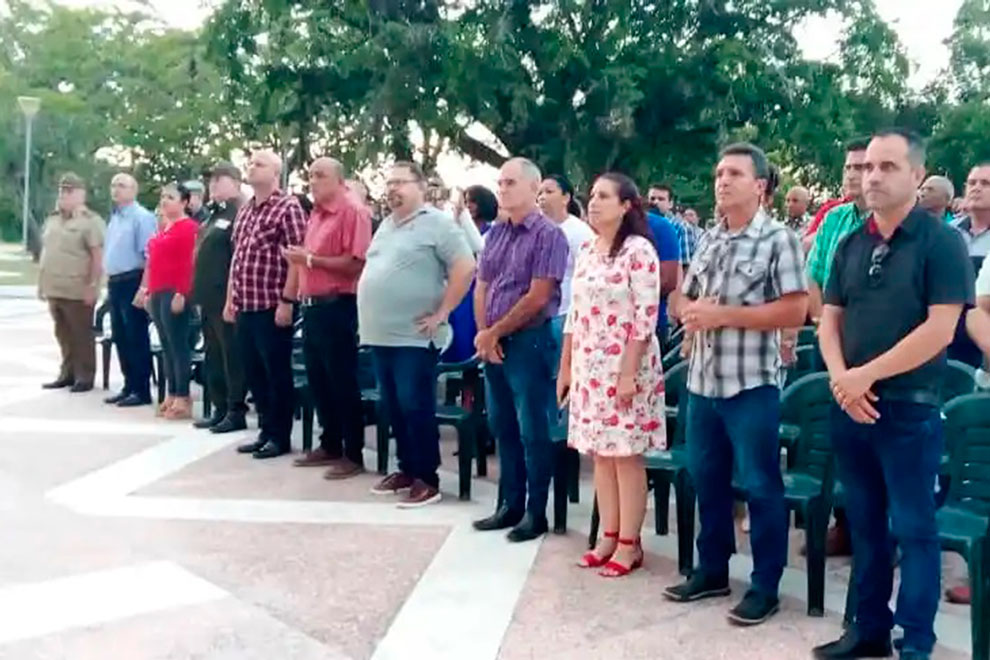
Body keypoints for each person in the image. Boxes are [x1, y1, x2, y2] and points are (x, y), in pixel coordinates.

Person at [812, 129, 973, 660]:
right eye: (866, 167)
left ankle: (917, 644)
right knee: (864, 525)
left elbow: (941, 329)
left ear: (916, 176)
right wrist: (842, 377)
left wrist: (866, 377)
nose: (871, 176)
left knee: (913, 528)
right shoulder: (852, 242)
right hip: (851, 407)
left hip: (908, 410)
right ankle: (869, 630)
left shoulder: (940, 242)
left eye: (886, 167)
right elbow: (828, 319)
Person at [663, 142, 808, 626]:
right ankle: (713, 569)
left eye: (734, 174)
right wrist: (682, 307)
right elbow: (684, 297)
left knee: (760, 484)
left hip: (751, 385)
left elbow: (795, 309)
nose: (722, 181)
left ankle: (765, 584)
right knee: (708, 478)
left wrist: (724, 315)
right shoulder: (710, 237)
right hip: (703, 382)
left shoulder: (778, 239)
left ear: (760, 186)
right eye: (719, 173)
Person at [558, 172, 665, 577]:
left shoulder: (638, 251)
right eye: (592, 195)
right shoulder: (587, 249)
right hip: (589, 367)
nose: (595, 202)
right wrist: (566, 367)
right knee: (600, 455)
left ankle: (629, 544)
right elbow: (575, 313)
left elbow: (645, 316)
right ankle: (607, 534)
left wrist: (628, 372)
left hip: (625, 367)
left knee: (625, 456)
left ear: (626, 205)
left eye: (604, 196)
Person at [358, 161, 475, 506]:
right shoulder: (387, 227)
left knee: (415, 404)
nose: (393, 188)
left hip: (414, 336)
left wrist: (443, 312)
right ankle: (406, 469)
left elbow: (466, 266)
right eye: (389, 182)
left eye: (401, 182)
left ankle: (427, 477)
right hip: (381, 334)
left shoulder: (437, 224)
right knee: (393, 405)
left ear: (421, 187)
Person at [472, 157, 568, 543]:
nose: (503, 188)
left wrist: (494, 331)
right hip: (494, 344)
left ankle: (535, 511)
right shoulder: (495, 232)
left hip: (529, 341)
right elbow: (482, 286)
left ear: (533, 187)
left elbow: (539, 295)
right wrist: (484, 334)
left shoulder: (549, 235)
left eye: (511, 182)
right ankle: (508, 504)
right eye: (500, 182)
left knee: (533, 429)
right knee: (503, 426)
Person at [289, 157, 372, 480]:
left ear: (340, 180)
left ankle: (353, 452)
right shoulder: (316, 214)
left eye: (320, 175)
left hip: (338, 304)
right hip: (312, 306)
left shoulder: (353, 211)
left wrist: (308, 259)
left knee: (341, 379)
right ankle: (330, 441)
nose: (313, 181)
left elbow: (355, 263)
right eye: (310, 175)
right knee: (318, 378)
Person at [224, 149, 307, 459]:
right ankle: (264, 430)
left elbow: (297, 260)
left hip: (272, 305)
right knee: (254, 373)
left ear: (275, 172)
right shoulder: (245, 210)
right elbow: (238, 257)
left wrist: (287, 301)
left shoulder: (288, 207)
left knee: (276, 373)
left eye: (259, 164)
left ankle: (279, 436)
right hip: (246, 303)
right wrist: (231, 297)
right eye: (250, 163)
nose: (251, 167)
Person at [191, 161, 247, 433]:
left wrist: (231, 297)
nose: (213, 184)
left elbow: (237, 257)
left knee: (230, 356)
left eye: (219, 179)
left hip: (226, 297)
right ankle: (220, 407)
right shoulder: (214, 215)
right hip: (207, 298)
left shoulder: (240, 212)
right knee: (213, 355)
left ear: (236, 183)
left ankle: (236, 410)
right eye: (210, 179)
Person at [135, 183, 199, 419]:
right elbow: (154, 262)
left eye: (171, 197)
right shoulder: (164, 228)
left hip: (175, 291)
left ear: (184, 202)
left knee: (178, 345)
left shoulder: (189, 228)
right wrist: (147, 291)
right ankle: (171, 393)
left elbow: (189, 265)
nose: (164, 201)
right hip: (158, 291)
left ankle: (183, 396)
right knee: (166, 346)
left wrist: (182, 293)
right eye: (163, 197)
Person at [38, 173, 105, 393]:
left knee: (81, 334)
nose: (64, 195)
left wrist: (93, 285)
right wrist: (41, 284)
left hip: (77, 289)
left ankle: (85, 376)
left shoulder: (90, 221)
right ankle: (67, 373)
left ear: (81, 194)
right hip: (54, 287)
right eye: (62, 191)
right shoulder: (52, 219)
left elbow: (97, 256)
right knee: (62, 334)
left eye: (69, 191)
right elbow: (47, 253)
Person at [103, 173, 157, 407]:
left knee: (136, 336)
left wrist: (144, 287)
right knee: (120, 336)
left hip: (133, 280)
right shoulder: (115, 217)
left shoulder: (141, 217)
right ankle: (129, 385)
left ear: (134, 190)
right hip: (115, 282)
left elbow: (149, 256)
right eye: (113, 185)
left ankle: (141, 389)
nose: (116, 189)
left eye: (122, 185)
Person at [538, 175, 595, 387]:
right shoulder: (537, 230)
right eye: (540, 193)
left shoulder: (579, 232)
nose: (543, 197)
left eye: (549, 192)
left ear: (566, 198)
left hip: (565, 315)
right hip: (537, 316)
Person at [806, 138, 871, 323]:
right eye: (847, 168)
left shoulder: (890, 223)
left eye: (859, 168)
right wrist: (822, 324)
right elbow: (812, 275)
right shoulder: (833, 217)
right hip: (827, 330)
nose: (851, 175)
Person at [649, 182, 698, 267]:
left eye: (661, 199)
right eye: (652, 199)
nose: (656, 202)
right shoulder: (643, 226)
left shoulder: (682, 228)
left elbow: (685, 266)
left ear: (670, 204)